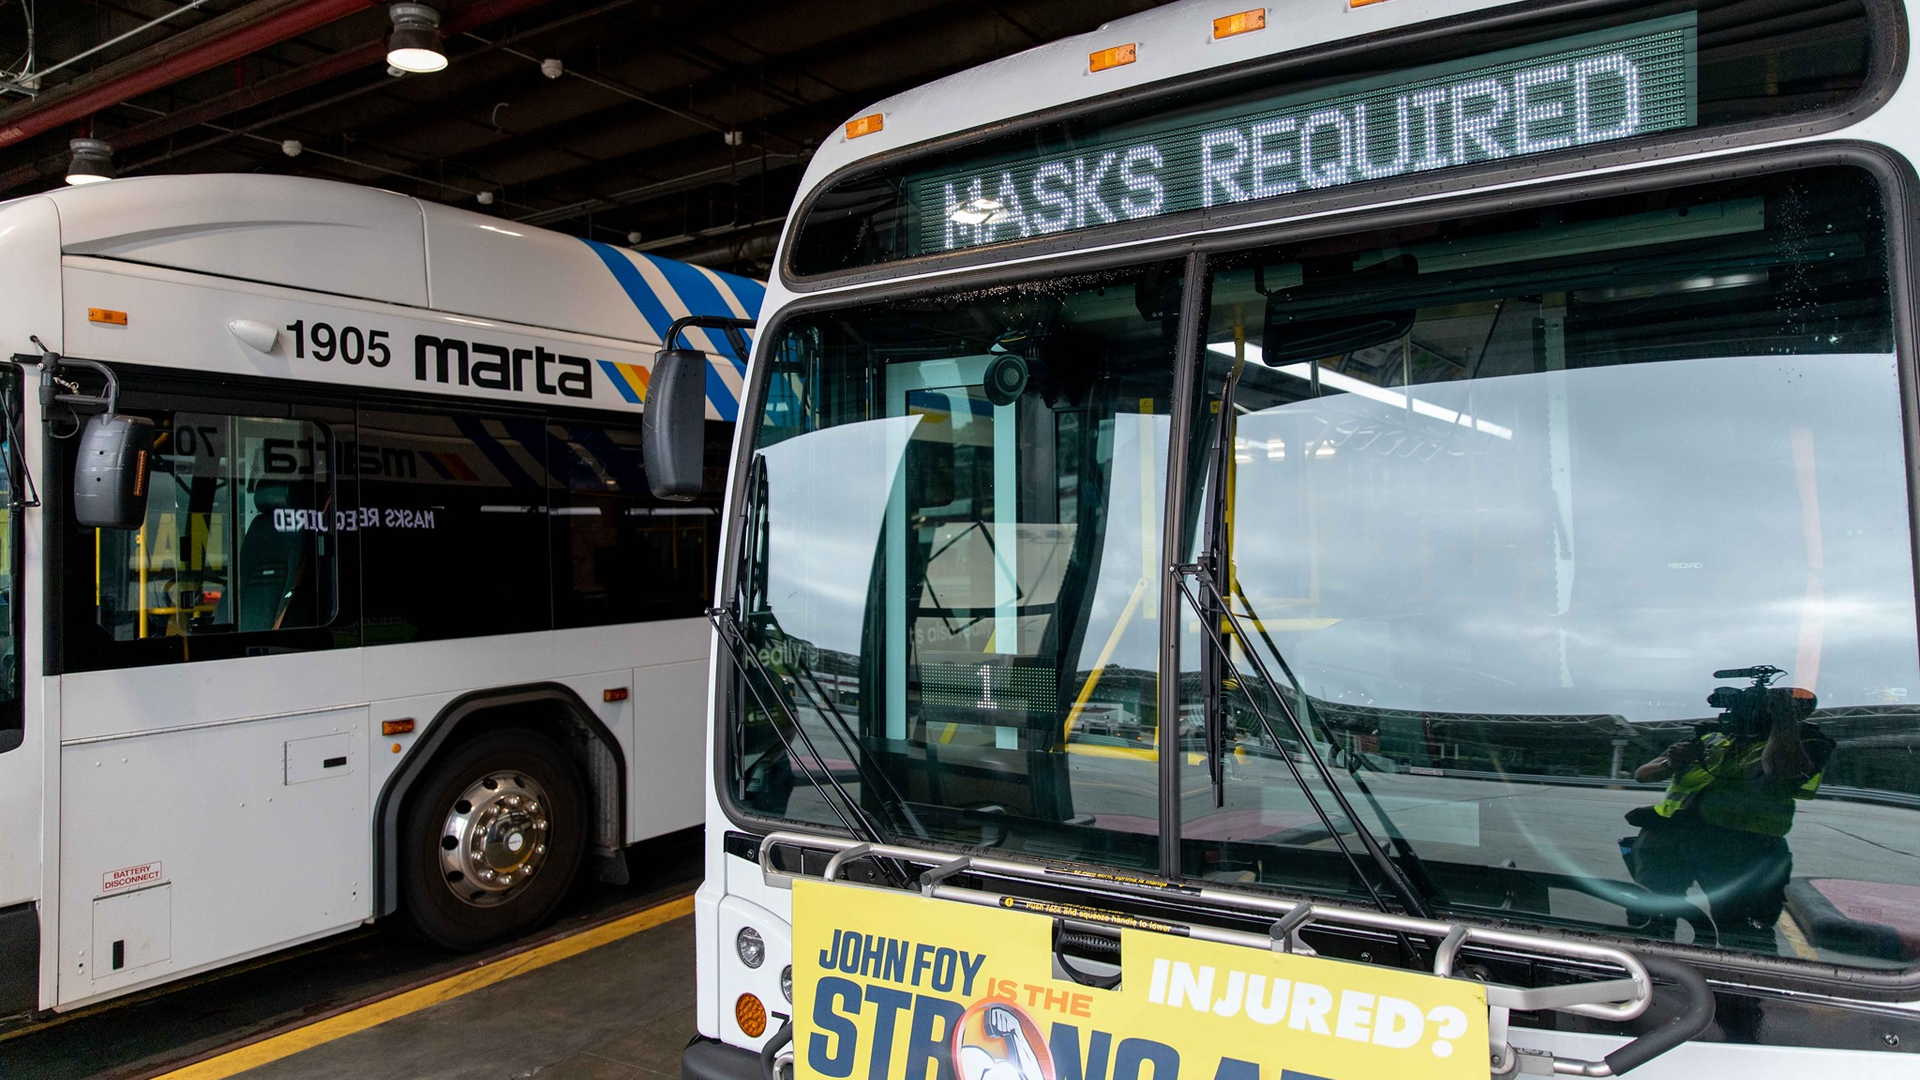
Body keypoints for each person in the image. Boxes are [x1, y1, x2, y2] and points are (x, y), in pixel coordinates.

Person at [1626, 684, 1832, 951]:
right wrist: (1672, 762)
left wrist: (1782, 719)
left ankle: (1740, 988)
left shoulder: (1804, 741)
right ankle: (1649, 969)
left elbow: (1779, 768)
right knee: (1649, 918)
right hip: (1670, 840)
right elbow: (1643, 774)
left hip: (1742, 852)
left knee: (1743, 934)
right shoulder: (1711, 738)